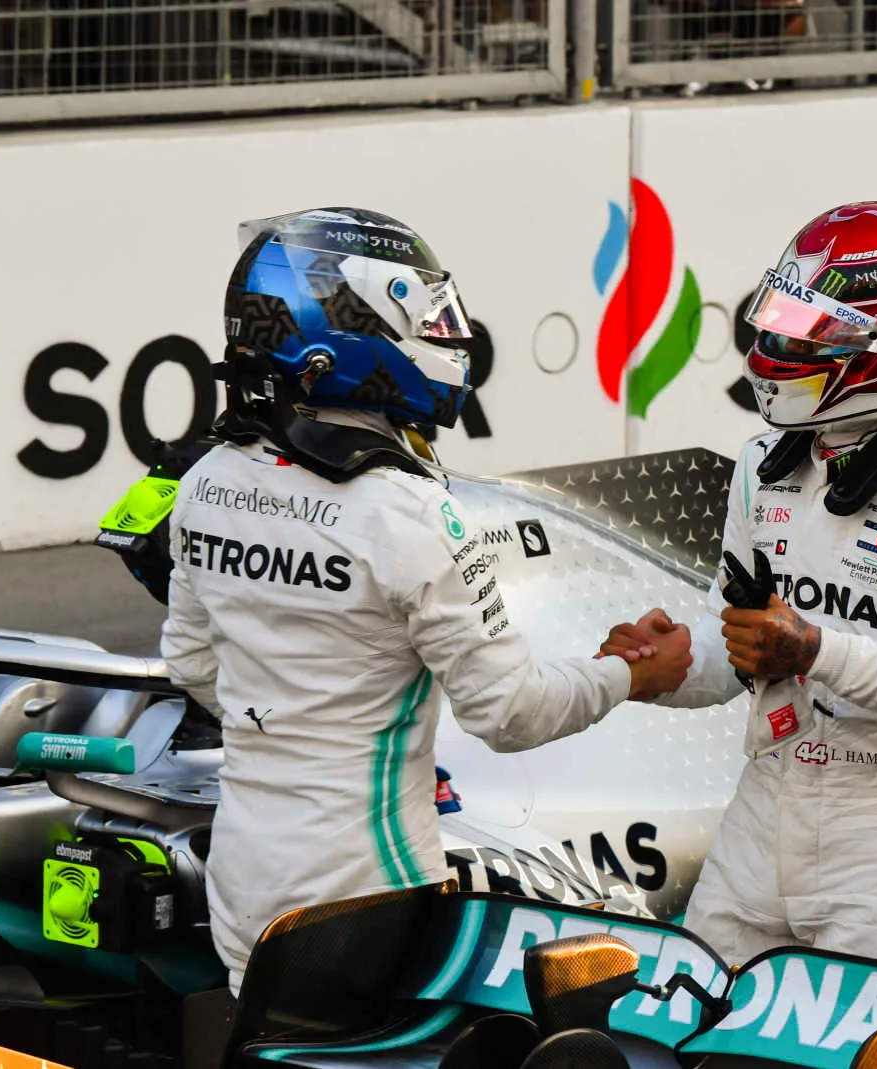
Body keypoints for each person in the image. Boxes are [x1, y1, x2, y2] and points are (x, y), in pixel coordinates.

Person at [160, 207, 692, 995]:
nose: (446, 334)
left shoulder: (205, 482)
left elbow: (192, 661)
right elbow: (510, 712)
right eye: (423, 315)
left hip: (241, 877)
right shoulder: (407, 512)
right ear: (341, 335)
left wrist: (298, 717)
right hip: (366, 894)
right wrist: (627, 672)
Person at [600, 202, 877, 972]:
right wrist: (666, 664)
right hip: (764, 803)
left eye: (820, 333)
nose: (787, 345)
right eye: (787, 316)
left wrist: (815, 649)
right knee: (679, 1037)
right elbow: (741, 648)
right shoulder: (766, 463)